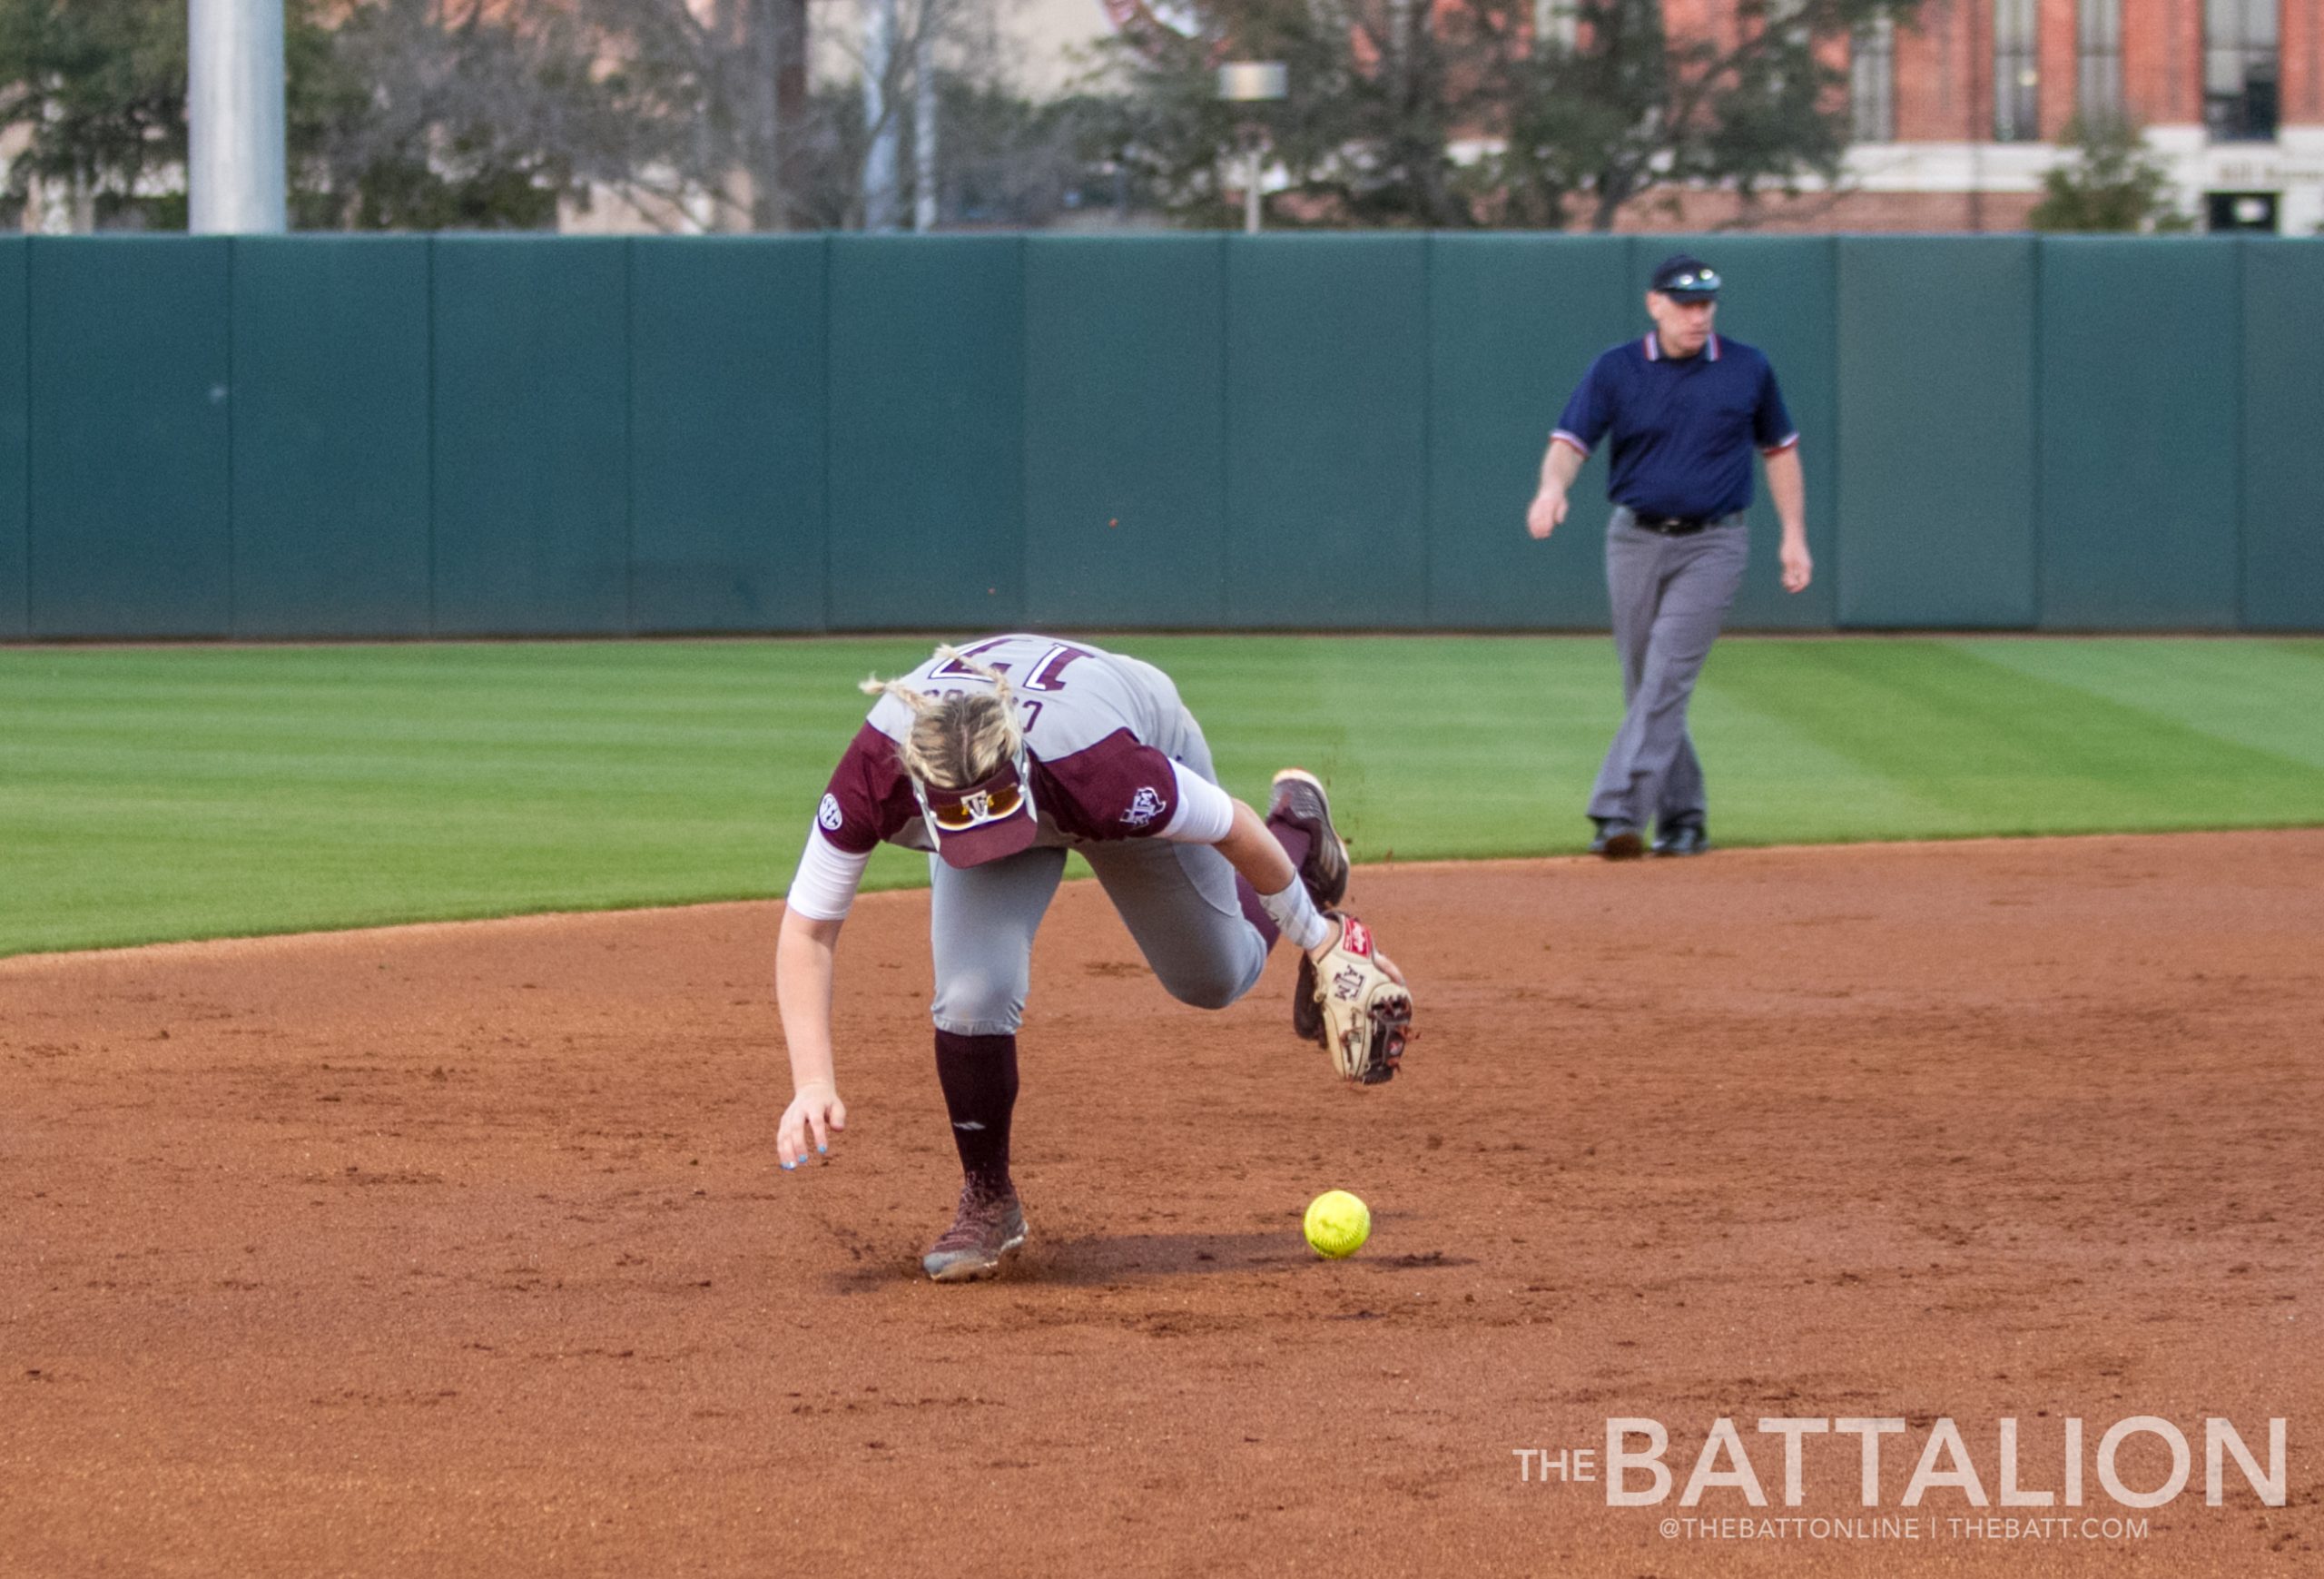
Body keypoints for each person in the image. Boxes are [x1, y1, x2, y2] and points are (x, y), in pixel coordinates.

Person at [773, 634, 1409, 1282]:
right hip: (1024, 782)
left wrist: (1320, 941)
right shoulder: (875, 774)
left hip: (1116, 733)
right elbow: (808, 932)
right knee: (972, 994)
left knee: (1218, 976)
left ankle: (1301, 829)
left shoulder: (1108, 771)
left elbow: (1231, 826)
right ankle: (989, 1200)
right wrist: (812, 1082)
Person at [1525, 254, 1812, 859]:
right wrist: (1553, 487)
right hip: (1635, 537)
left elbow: (1780, 451)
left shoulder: (1747, 368)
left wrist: (1794, 533)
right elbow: (1569, 442)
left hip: (1715, 541)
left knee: (1666, 673)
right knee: (1646, 681)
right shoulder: (1618, 368)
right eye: (1685, 303)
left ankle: (1618, 811)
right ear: (1655, 304)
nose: (1698, 314)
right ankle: (1684, 816)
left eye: (1707, 303)